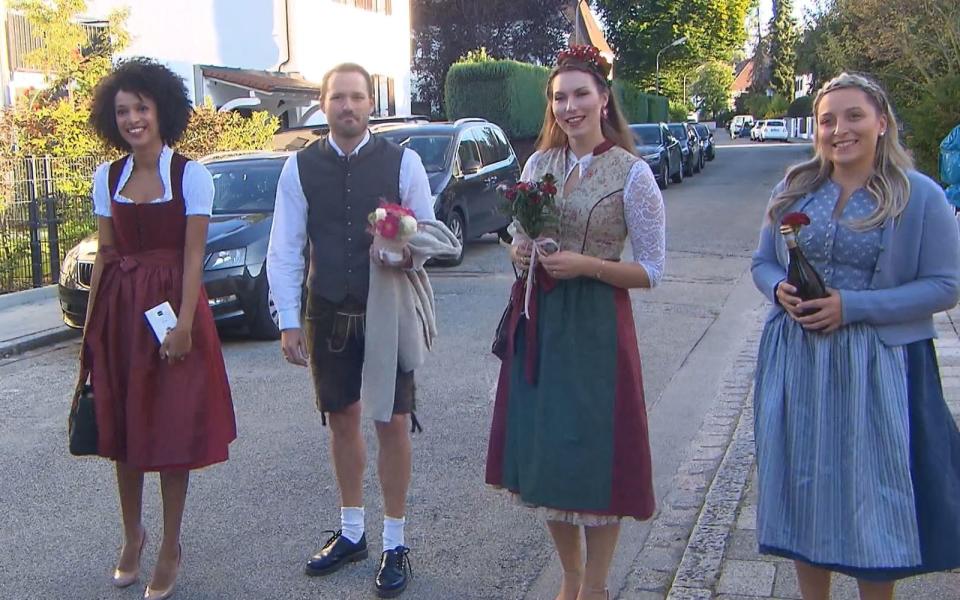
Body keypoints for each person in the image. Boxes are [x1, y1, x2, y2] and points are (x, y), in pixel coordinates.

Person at [751, 72, 960, 600]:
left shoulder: (919, 197)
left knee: (874, 496)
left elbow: (946, 285)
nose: (839, 129)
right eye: (827, 120)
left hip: (877, 368)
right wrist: (778, 289)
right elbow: (760, 263)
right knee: (803, 491)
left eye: (853, 116)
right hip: (796, 361)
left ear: (882, 122)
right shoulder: (793, 188)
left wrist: (854, 307)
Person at [484, 45, 665, 600]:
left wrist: (589, 265)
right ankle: (569, 577)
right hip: (540, 320)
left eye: (581, 94)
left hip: (597, 327)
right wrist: (519, 251)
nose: (570, 106)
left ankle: (596, 584)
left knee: (595, 453)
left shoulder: (633, 174)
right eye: (559, 97)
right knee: (549, 457)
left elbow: (653, 270)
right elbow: (515, 234)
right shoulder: (538, 165)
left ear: (604, 98)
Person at [266, 63, 441, 598]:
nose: (347, 106)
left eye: (357, 97)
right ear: (323, 104)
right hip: (327, 310)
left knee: (393, 421)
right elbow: (285, 246)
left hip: (387, 309)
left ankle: (394, 541)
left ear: (371, 104)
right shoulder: (299, 167)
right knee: (341, 422)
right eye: (338, 97)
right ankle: (352, 533)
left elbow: (430, 237)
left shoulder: (402, 161)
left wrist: (402, 249)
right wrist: (288, 321)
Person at [81, 57, 236, 600]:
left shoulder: (190, 174)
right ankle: (133, 535)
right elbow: (106, 252)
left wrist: (187, 324)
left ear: (161, 110)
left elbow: (194, 255)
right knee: (123, 430)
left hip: (173, 311)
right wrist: (91, 333)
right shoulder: (107, 176)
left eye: (141, 107)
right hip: (123, 316)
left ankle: (170, 544)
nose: (132, 119)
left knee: (170, 431)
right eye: (122, 110)